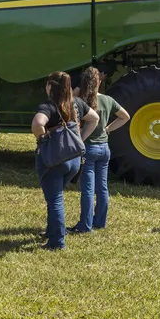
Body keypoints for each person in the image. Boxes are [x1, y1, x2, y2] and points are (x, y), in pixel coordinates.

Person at [31, 71, 100, 250]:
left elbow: (38, 123)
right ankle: (51, 230)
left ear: (50, 86)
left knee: (55, 201)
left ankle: (57, 242)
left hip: (54, 159)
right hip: (74, 160)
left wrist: (42, 140)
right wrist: (80, 139)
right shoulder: (76, 103)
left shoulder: (48, 105)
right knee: (56, 197)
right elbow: (94, 118)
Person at [69, 67, 129, 234]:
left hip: (88, 148)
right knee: (102, 187)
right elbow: (125, 116)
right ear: (99, 83)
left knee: (87, 189)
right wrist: (108, 129)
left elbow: (69, 101)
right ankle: (100, 221)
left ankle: (84, 225)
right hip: (104, 148)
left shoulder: (80, 100)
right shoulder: (108, 100)